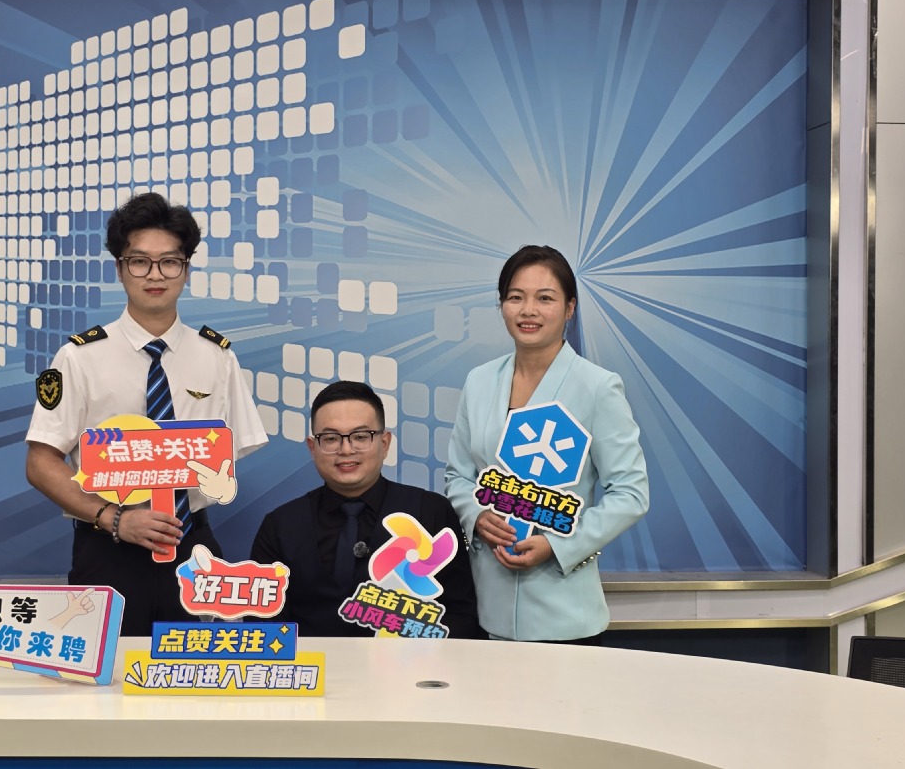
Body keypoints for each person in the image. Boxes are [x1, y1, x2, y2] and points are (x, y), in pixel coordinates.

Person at [25, 192, 268, 635]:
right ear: (119, 269)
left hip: (192, 544)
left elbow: (229, 455)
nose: (155, 274)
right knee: (108, 673)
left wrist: (218, 480)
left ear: (186, 269)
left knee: (196, 669)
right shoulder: (78, 357)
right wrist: (116, 519)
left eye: (169, 262)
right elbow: (41, 463)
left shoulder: (217, 357)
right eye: (139, 261)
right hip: (108, 547)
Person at [444, 245, 649, 642]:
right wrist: (476, 515)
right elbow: (458, 476)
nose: (528, 310)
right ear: (502, 305)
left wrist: (557, 547)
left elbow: (631, 493)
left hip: (566, 614)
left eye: (545, 298)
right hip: (485, 606)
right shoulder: (479, 381)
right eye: (515, 297)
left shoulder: (597, 387)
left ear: (570, 308)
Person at [251, 381, 482, 638]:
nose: (346, 450)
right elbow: (262, 626)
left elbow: (461, 615)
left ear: (385, 443)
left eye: (361, 437)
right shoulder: (281, 525)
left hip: (410, 662)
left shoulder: (430, 512)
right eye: (330, 438)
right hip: (311, 662)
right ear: (312, 447)